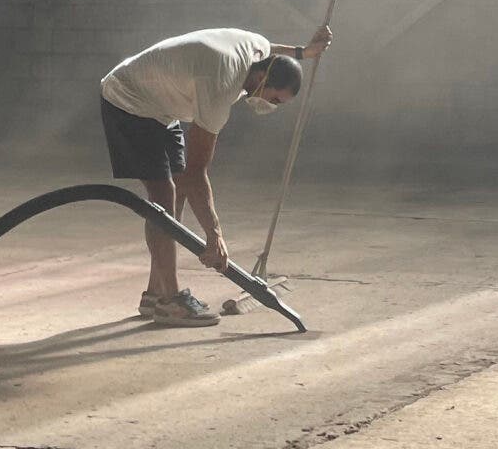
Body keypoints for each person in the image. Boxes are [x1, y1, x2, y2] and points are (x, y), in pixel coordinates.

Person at [99, 23, 332, 326]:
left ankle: (155, 294)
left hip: (160, 106)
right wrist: (215, 235)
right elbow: (198, 172)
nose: (271, 106)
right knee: (163, 196)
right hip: (128, 99)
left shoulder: (257, 49)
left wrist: (304, 52)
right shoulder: (222, 85)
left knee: (176, 190)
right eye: (274, 99)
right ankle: (171, 301)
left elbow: (274, 50)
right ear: (261, 78)